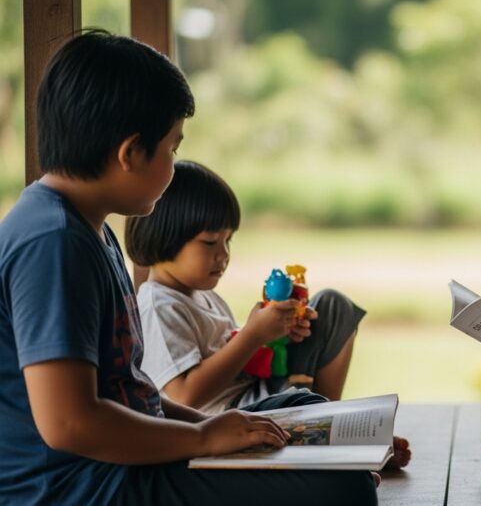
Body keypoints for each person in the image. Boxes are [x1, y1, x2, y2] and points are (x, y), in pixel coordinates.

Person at [0, 30, 377, 505]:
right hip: (86, 487)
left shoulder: (87, 229)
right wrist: (204, 440)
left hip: (124, 461)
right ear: (130, 153)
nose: (175, 164)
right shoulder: (51, 242)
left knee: (304, 413)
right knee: (342, 488)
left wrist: (213, 426)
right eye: (172, 149)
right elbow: (70, 424)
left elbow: (133, 394)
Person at [125, 159, 411, 465]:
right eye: (210, 242)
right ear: (164, 237)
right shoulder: (158, 306)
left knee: (332, 306)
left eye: (228, 240)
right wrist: (252, 335)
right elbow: (185, 395)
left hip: (259, 391)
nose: (223, 255)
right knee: (298, 402)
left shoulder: (201, 294)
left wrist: (277, 333)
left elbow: (237, 357)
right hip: (231, 418)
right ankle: (340, 442)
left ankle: (333, 431)